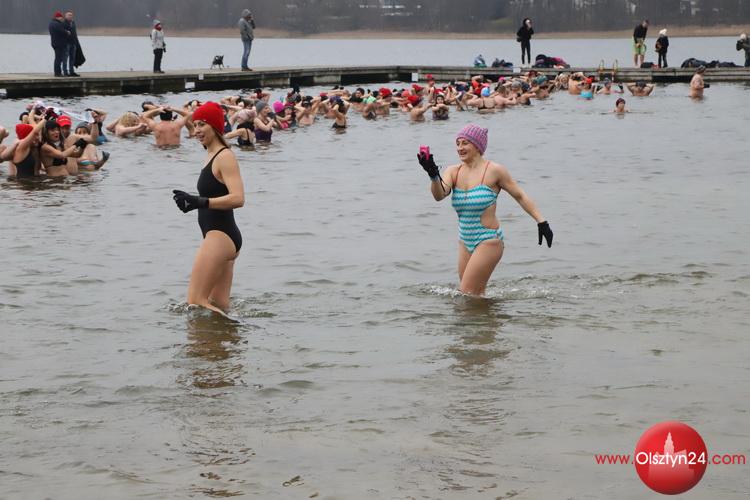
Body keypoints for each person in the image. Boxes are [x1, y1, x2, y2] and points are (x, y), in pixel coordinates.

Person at [417, 124, 553, 296]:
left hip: (488, 240)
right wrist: (433, 175)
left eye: (465, 143)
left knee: (466, 293)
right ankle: (491, 314)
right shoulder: (453, 171)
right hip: (464, 241)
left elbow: (520, 196)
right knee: (474, 295)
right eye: (458, 143)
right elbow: (439, 195)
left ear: (477, 145)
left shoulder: (494, 170)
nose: (460, 148)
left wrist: (542, 222)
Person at [172, 102, 245, 315]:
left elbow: (238, 198)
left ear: (215, 126)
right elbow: (213, 195)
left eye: (202, 124)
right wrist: (193, 202)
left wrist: (201, 202)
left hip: (220, 237)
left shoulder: (224, 156)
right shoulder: (211, 156)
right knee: (219, 305)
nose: (197, 130)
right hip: (222, 237)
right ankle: (230, 335)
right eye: (195, 125)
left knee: (195, 302)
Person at [48, 11, 70, 77]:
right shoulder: (57, 24)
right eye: (61, 17)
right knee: (58, 59)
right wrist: (67, 32)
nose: (62, 18)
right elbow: (61, 31)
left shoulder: (51, 23)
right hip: (59, 44)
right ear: (58, 17)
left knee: (57, 58)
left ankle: (57, 72)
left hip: (54, 43)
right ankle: (58, 73)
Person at [62, 12, 81, 77]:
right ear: (65, 16)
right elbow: (62, 33)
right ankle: (65, 72)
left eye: (71, 15)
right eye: (69, 15)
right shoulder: (63, 23)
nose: (70, 16)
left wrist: (76, 42)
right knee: (65, 58)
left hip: (73, 43)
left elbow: (75, 33)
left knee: (72, 58)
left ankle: (72, 72)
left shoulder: (73, 23)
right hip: (67, 43)